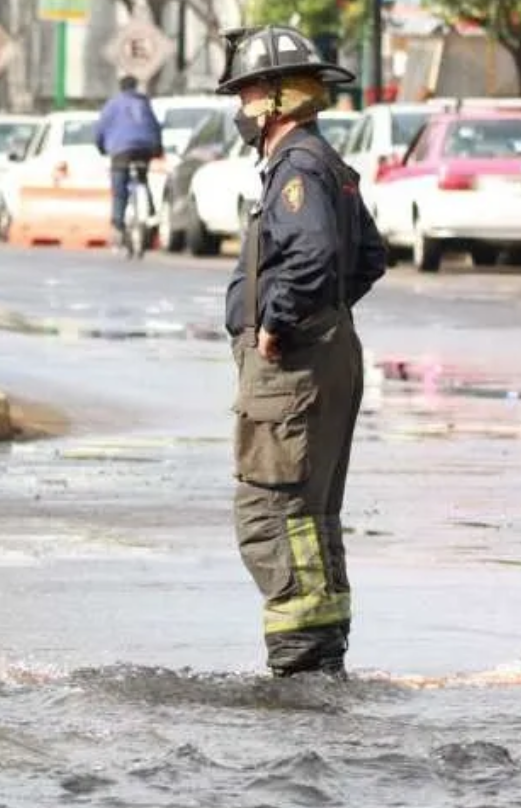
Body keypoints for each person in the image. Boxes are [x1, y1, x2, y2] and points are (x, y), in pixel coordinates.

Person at [216, 26, 388, 679]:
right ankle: (319, 661)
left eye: (246, 91)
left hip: (290, 369)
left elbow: (316, 254)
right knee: (309, 516)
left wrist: (279, 324)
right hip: (324, 355)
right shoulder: (325, 163)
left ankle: (302, 668)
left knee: (272, 511)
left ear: (277, 98)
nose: (239, 107)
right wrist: (323, 317)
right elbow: (368, 258)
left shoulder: (297, 169)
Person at [94, 75, 164, 245]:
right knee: (142, 177)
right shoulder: (144, 102)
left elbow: (100, 130)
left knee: (119, 189)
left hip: (120, 150)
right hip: (145, 149)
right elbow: (155, 126)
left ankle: (118, 224)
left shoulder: (113, 104)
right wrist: (157, 148)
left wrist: (101, 148)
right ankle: (151, 212)